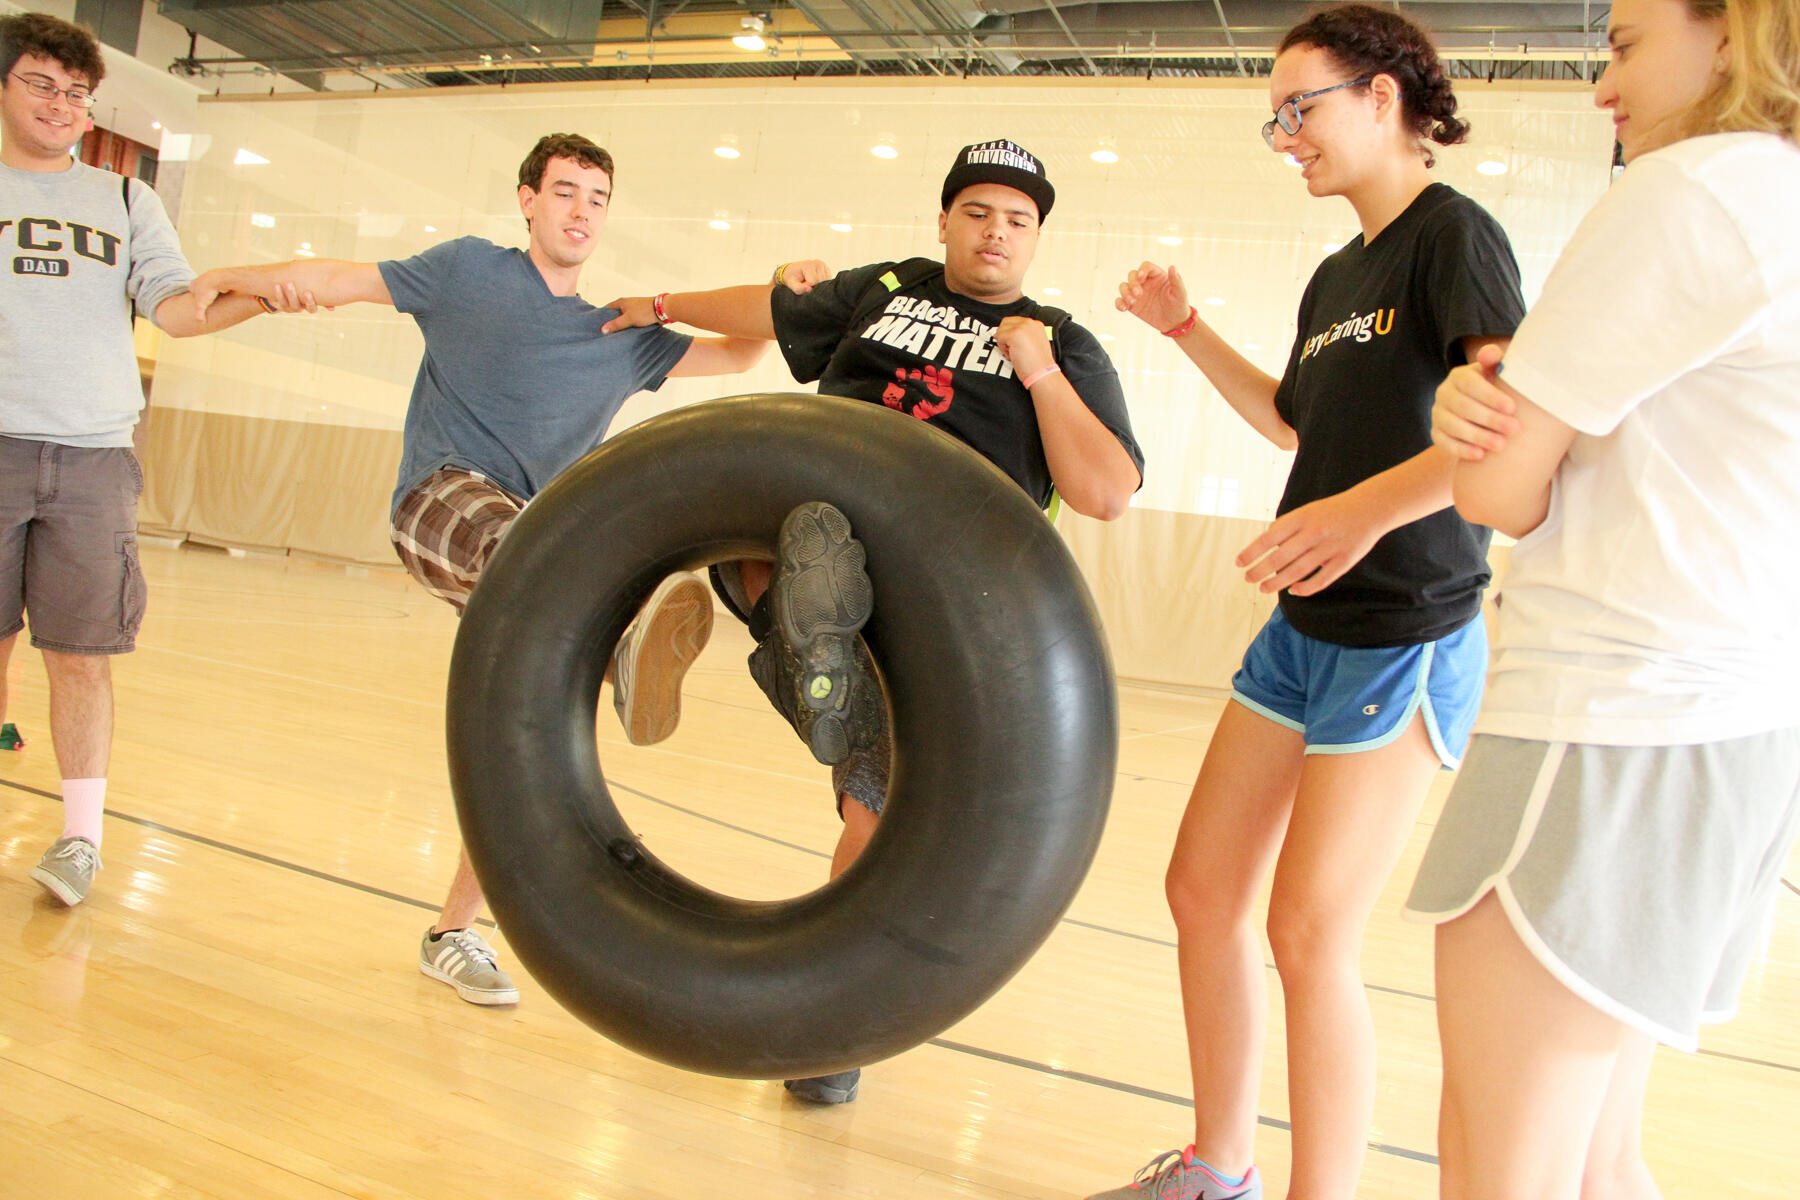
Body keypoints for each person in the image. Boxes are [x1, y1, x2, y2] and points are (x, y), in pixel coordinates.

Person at [604, 138, 1145, 1104]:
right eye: (978, 211)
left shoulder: (1061, 338)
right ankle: (813, 649)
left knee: (875, 806)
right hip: (807, 519)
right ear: (944, 220)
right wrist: (659, 307)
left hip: (944, 599)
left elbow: (1104, 492)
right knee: (799, 527)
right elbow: (772, 314)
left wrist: (1040, 374)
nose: (996, 232)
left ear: (1037, 239)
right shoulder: (883, 287)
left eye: (1017, 221)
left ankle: (831, 1020)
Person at [1093, 7, 1527, 1198]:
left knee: (1308, 932)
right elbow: (1299, 424)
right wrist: (1185, 331)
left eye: (1301, 107)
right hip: (1303, 635)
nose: (1285, 135)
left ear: (1382, 97)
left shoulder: (1455, 239)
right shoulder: (1342, 271)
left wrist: (1362, 516)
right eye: (1273, 117)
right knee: (1201, 891)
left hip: (1408, 631)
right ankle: (1218, 1164)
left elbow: (1506, 434)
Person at [191, 133, 772, 1006]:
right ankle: (623, 641)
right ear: (528, 201)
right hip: (443, 503)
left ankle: (452, 932)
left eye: (596, 199)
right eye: (565, 192)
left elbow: (740, 351)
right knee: (537, 555)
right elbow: (339, 278)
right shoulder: (469, 273)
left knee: (522, 740)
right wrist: (235, 277)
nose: (580, 211)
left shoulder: (617, 334)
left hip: (540, 561)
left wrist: (774, 289)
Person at [1408, 0, 1800, 1194]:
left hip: (1605, 722)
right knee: (1595, 1159)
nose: (1601, 88)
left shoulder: (1692, 193)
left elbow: (1497, 491)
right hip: (1723, 728)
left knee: (1503, 1160)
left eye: (1624, 46)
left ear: (1731, 33)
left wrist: (1469, 422)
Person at [1, 11, 287, 906]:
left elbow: (175, 308)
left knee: (82, 653)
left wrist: (264, 296)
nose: (62, 105)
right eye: (42, 83)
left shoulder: (127, 201)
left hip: (92, 458)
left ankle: (80, 840)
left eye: (77, 93)